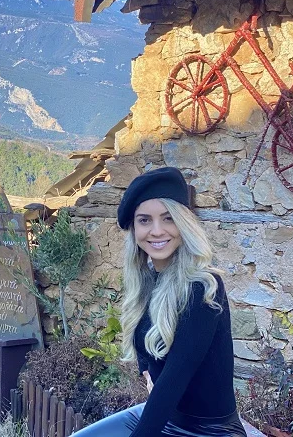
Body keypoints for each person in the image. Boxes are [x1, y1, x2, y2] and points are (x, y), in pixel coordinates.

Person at [74, 167, 246, 437]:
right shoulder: (148, 280)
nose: (156, 231)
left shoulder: (202, 286)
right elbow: (142, 337)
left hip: (209, 431)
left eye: (168, 219)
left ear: (184, 224)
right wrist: (146, 371)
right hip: (166, 418)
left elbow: (174, 379)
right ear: (134, 229)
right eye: (144, 220)